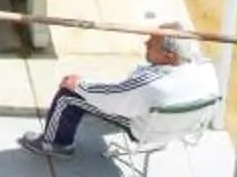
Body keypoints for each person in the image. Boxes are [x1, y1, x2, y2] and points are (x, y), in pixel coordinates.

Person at [21, 29, 217, 157]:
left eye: (152, 43)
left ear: (169, 56)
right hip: (183, 127)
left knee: (68, 95)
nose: (146, 43)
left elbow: (112, 97)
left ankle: (56, 143)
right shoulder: (207, 69)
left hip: (147, 128)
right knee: (131, 93)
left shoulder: (151, 84)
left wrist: (79, 84)